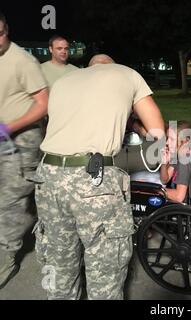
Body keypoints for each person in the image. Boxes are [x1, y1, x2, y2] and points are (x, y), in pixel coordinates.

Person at [33, 54, 165, 300]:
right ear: (113, 64)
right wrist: (134, 131)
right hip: (95, 182)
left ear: (88, 68)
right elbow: (158, 138)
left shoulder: (63, 81)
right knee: (105, 274)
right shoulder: (127, 73)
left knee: (58, 266)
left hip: (48, 178)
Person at [0, 12, 49, 289]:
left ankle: (6, 256)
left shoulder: (23, 61)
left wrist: (10, 127)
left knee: (11, 198)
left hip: (21, 138)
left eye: (1, 33)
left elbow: (43, 104)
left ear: (8, 29)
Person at [160, 121, 191, 203]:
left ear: (185, 141)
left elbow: (179, 197)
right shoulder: (179, 153)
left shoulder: (185, 161)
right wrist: (164, 163)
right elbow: (165, 180)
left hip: (182, 208)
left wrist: (155, 190)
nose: (167, 143)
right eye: (167, 138)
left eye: (172, 139)